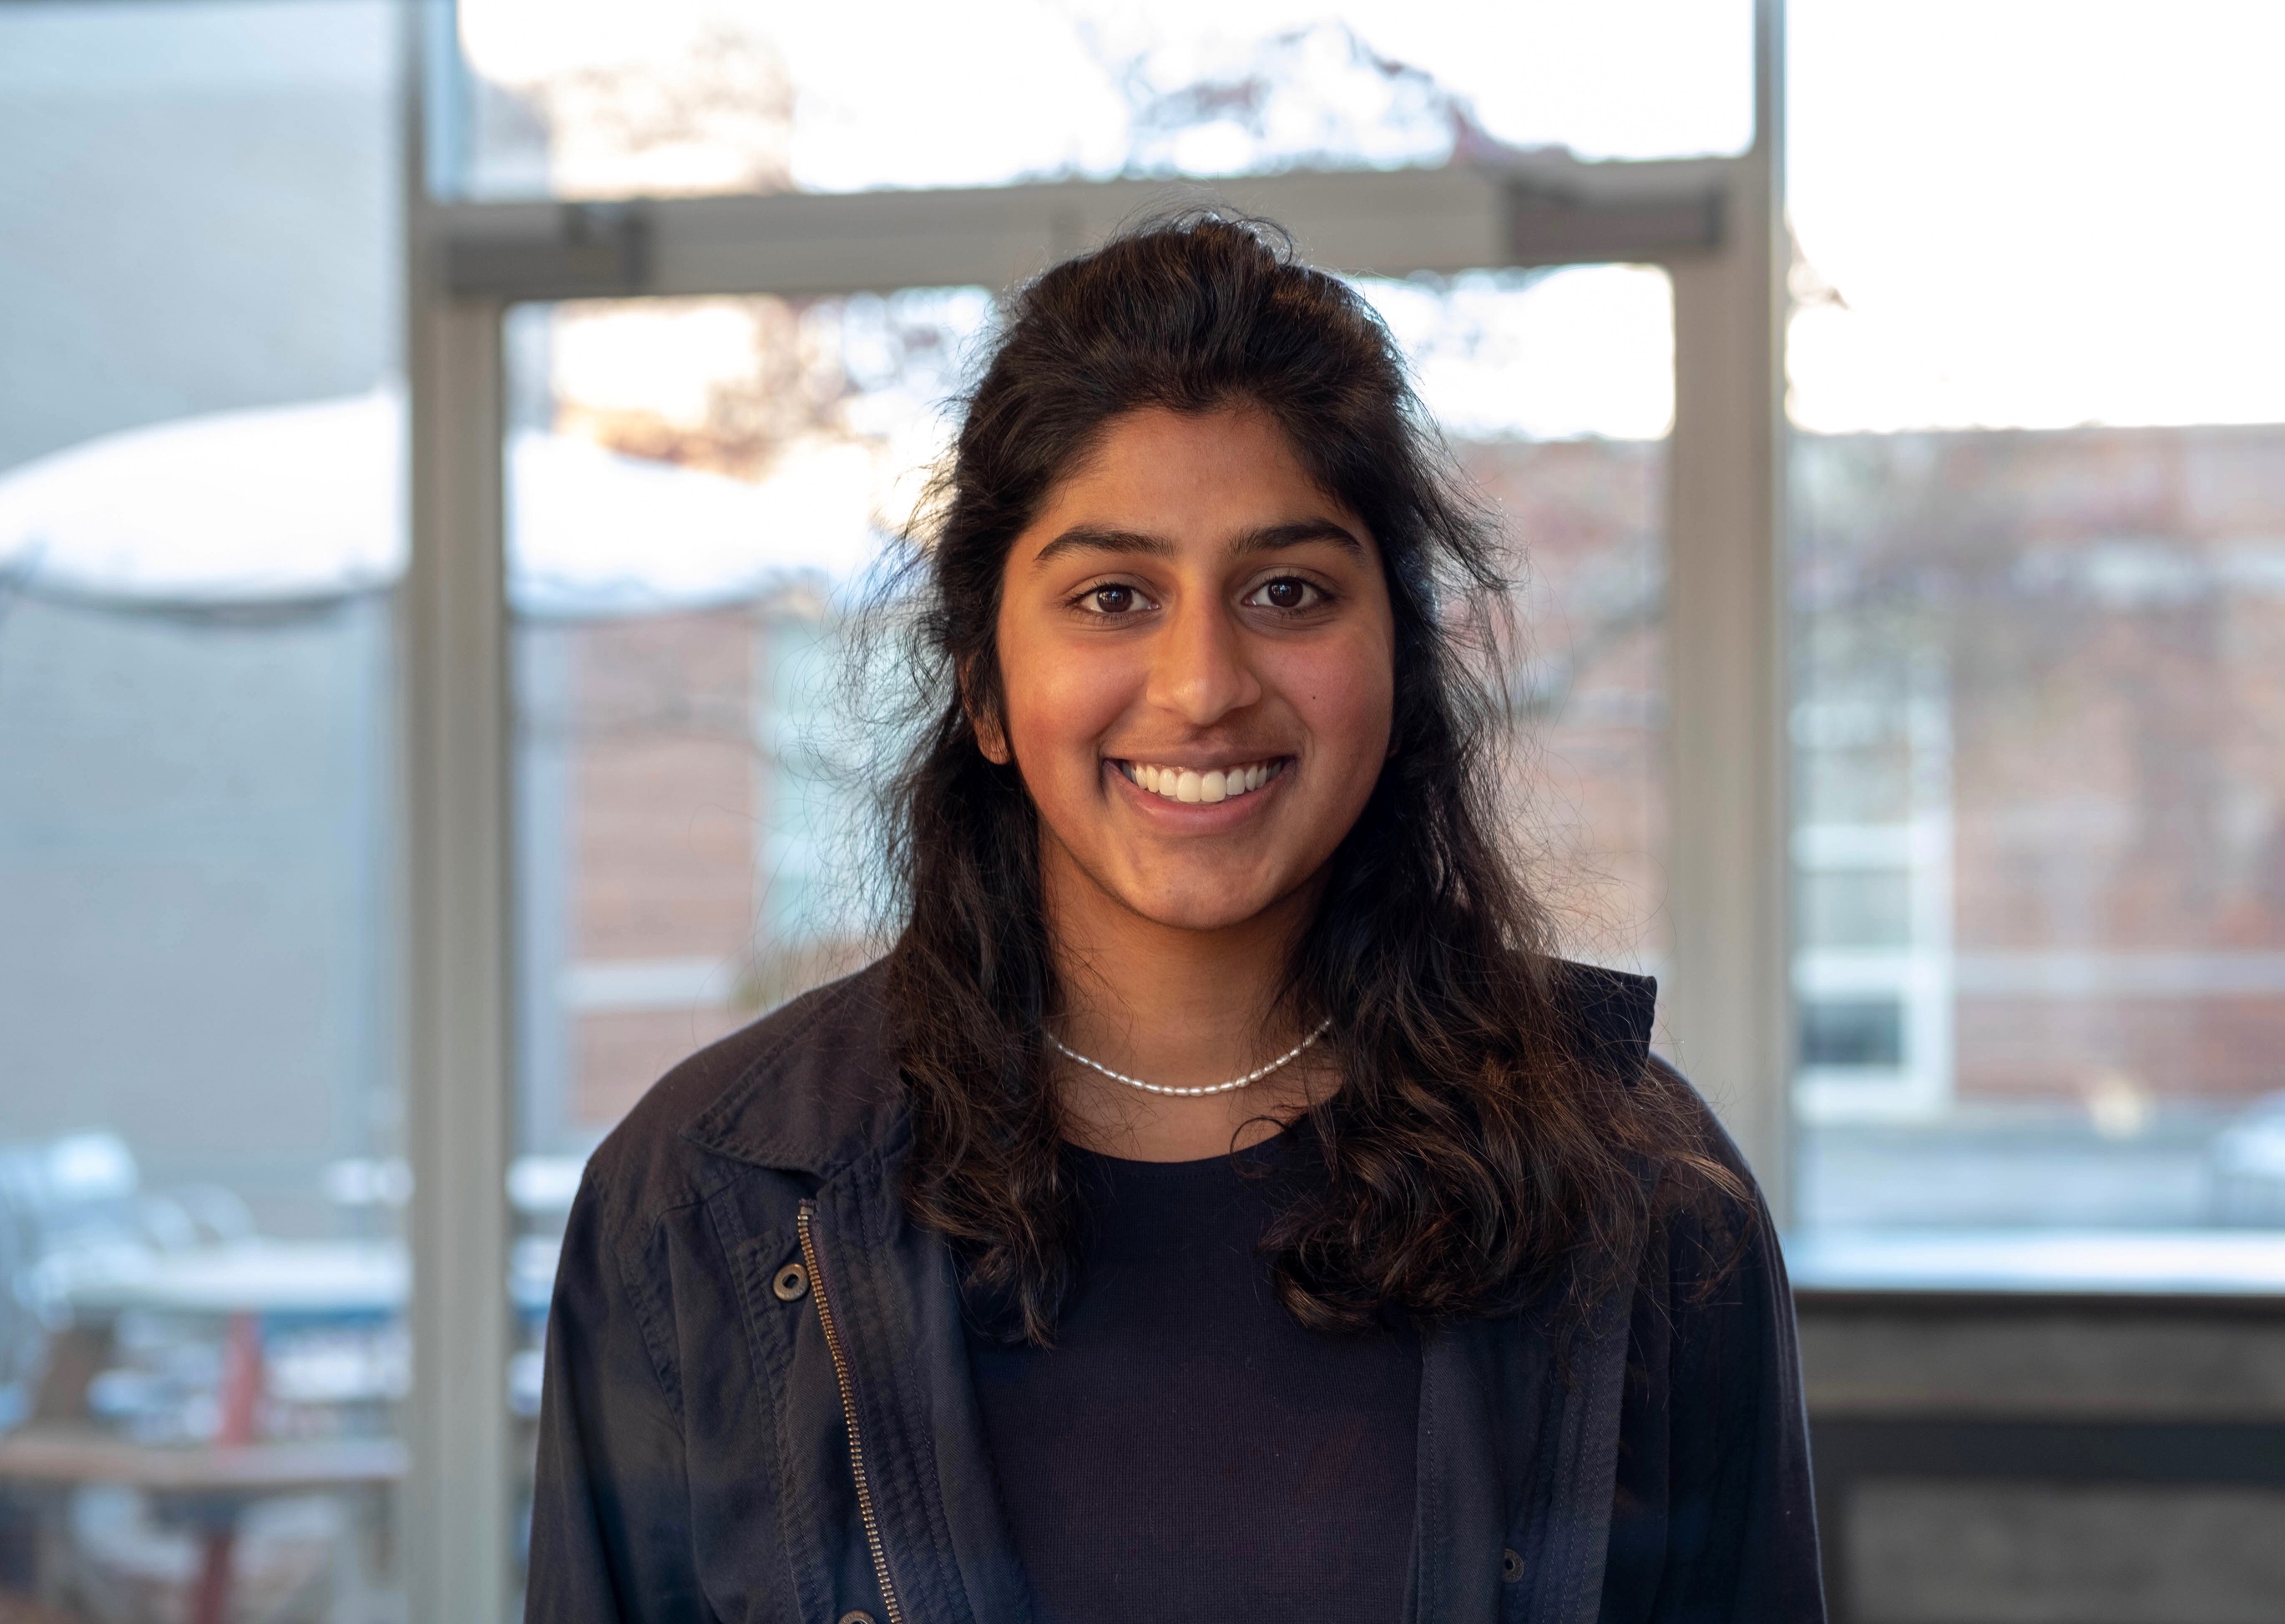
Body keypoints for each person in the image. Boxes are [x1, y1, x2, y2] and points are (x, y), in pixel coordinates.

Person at [527, 215, 1824, 1624]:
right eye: (1112, 595)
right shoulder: (703, 1203)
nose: (1203, 683)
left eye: (1288, 591)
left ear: (1397, 662)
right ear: (983, 689)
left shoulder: (1643, 1197)